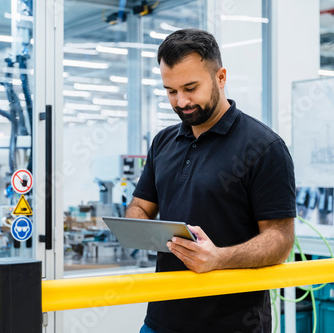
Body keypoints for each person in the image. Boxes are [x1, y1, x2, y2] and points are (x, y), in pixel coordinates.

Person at [125, 28, 296, 333]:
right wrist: (137, 229)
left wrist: (219, 258)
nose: (181, 101)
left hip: (233, 323)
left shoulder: (264, 147)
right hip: (162, 319)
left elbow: (280, 240)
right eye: (171, 91)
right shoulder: (163, 142)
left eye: (191, 87)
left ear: (220, 77)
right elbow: (140, 205)